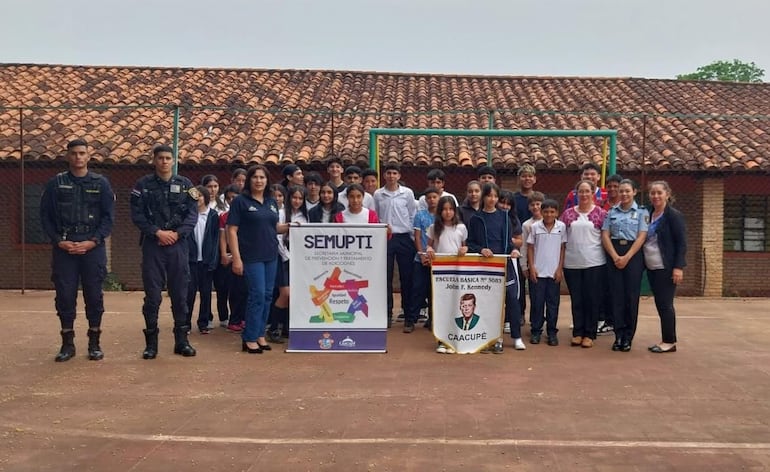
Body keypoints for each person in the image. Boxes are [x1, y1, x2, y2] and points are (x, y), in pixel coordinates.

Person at [40, 139, 115, 362]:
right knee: (64, 296)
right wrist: (58, 241)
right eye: (74, 153)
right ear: (67, 156)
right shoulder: (56, 183)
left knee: (94, 295)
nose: (78, 157)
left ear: (88, 156)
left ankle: (94, 343)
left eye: (82, 153)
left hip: (92, 247)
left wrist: (93, 241)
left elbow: (108, 218)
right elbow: (45, 217)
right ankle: (67, 344)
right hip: (65, 247)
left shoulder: (101, 183)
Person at [130, 144, 198, 359]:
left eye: (168, 158)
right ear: (154, 160)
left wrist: (177, 234)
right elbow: (137, 214)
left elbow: (192, 215)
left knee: (180, 295)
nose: (164, 162)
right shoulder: (143, 185)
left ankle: (182, 341)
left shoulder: (186, 185)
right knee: (152, 297)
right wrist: (157, 232)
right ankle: (151, 344)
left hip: (178, 246)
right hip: (153, 246)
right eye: (160, 158)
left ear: (174, 160)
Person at [227, 165, 290, 354]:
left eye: (262, 177)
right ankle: (249, 338)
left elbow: (273, 227)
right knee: (257, 294)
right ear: (249, 180)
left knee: (268, 296)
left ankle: (260, 334)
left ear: (267, 180)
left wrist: (290, 226)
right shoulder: (240, 201)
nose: (259, 181)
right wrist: (236, 258)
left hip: (271, 255)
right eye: (255, 177)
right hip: (251, 257)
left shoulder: (271, 202)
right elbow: (231, 230)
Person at [467, 183, 524, 352]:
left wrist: (513, 250)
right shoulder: (476, 218)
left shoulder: (505, 217)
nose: (492, 199)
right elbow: (470, 243)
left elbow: (508, 243)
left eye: (495, 196)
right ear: (483, 197)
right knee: (489, 303)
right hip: (485, 267)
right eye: (489, 196)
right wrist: (480, 250)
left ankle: (517, 336)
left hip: (504, 264)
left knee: (513, 299)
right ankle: (493, 337)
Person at [601, 179, 649, 352]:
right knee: (616, 296)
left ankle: (628, 336)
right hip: (614, 252)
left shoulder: (642, 212)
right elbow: (605, 235)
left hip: (633, 255)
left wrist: (627, 257)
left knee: (631, 297)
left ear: (634, 192)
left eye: (627, 191)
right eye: (621, 191)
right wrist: (615, 256)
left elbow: (642, 236)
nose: (624, 194)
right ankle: (618, 335)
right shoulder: (611, 212)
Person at [560, 180, 607, 348]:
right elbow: (562, 241)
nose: (584, 194)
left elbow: (605, 239)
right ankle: (578, 332)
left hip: (594, 263)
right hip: (572, 264)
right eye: (581, 191)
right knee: (577, 299)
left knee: (592, 299)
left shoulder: (601, 214)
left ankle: (590, 333)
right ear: (576, 193)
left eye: (588, 191)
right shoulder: (567, 214)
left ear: (593, 193)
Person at [644, 181, 687, 354]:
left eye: (659, 193)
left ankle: (669, 341)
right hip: (651, 265)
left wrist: (678, 267)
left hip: (666, 267)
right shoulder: (648, 213)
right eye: (652, 193)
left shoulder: (673, 216)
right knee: (659, 302)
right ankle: (666, 338)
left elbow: (681, 243)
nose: (655, 196)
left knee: (665, 304)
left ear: (667, 194)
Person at [373, 164, 417, 328]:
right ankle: (386, 315)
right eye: (389, 173)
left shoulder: (407, 193)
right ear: (384, 175)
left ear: (399, 176)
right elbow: (376, 215)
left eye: (394, 173)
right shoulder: (378, 194)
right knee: (386, 277)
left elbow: (412, 213)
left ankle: (409, 317)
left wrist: (412, 236)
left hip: (405, 237)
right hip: (386, 238)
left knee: (407, 277)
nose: (391, 176)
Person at [426, 196, 468, 353]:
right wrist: (429, 250)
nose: (448, 212)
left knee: (456, 303)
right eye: (444, 209)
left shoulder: (461, 228)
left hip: (457, 271)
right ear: (439, 211)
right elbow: (429, 246)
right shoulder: (433, 227)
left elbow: (464, 247)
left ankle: (455, 337)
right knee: (442, 305)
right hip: (440, 273)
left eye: (451, 209)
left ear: (455, 211)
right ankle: (442, 340)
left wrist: (465, 249)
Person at [267, 185, 309, 343]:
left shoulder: (306, 217)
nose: (297, 201)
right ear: (288, 198)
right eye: (294, 197)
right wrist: (287, 256)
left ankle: (286, 327)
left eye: (300, 198)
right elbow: (277, 238)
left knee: (296, 295)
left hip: (300, 261)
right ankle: (273, 328)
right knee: (285, 293)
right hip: (283, 258)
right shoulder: (281, 214)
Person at [527, 199, 566, 346]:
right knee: (537, 303)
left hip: (553, 272)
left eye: (552, 211)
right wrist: (532, 267)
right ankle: (536, 331)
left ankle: (552, 333)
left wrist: (559, 268)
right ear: (541, 212)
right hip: (538, 272)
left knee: (553, 304)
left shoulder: (561, 227)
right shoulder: (535, 227)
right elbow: (530, 248)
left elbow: (562, 248)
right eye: (546, 211)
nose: (549, 214)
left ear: (557, 213)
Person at [403, 187, 439, 333]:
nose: (431, 200)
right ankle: (411, 319)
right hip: (421, 259)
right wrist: (421, 254)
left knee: (434, 291)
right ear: (425, 200)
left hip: (437, 259)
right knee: (417, 289)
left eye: (434, 197)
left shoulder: (443, 216)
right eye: (428, 197)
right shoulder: (420, 215)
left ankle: (432, 320)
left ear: (439, 198)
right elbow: (417, 237)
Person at [186, 186, 220, 334]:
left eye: (200, 196)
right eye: (195, 196)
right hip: (191, 260)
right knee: (189, 293)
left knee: (206, 293)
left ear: (205, 198)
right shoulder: (188, 215)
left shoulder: (213, 216)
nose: (198, 199)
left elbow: (216, 239)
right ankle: (185, 323)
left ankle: (204, 322)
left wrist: (213, 259)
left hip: (206, 261)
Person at [201, 174, 229, 329]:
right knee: (206, 287)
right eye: (209, 186)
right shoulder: (200, 204)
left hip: (221, 250)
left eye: (215, 186)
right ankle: (207, 317)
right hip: (207, 250)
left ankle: (224, 316)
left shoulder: (224, 206)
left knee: (222, 285)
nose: (212, 190)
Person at [218, 185, 246, 333]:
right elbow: (223, 237)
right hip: (231, 256)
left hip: (247, 255)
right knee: (234, 290)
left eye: (234, 197)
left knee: (246, 289)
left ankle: (243, 318)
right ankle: (234, 320)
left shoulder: (246, 214)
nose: (231, 200)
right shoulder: (224, 216)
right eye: (228, 198)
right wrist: (224, 253)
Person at [520, 191, 544, 328]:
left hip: (547, 264)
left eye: (538, 204)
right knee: (534, 295)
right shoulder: (526, 225)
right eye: (532, 205)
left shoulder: (552, 222)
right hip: (532, 265)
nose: (535, 207)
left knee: (546, 296)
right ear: (529, 207)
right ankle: (535, 323)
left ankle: (544, 320)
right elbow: (523, 246)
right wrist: (524, 266)